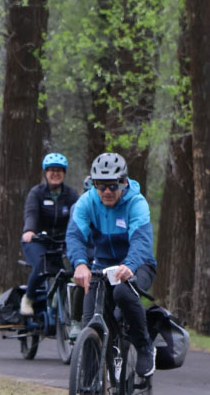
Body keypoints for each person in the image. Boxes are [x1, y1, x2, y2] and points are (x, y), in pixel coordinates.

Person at [66, 152, 157, 378]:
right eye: (100, 185)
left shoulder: (136, 203)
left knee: (124, 294)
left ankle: (145, 346)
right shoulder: (87, 202)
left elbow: (141, 240)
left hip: (138, 263)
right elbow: (75, 236)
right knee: (90, 322)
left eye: (112, 185)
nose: (106, 191)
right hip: (103, 266)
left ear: (124, 182)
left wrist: (131, 265)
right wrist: (79, 264)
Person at [19, 152, 80, 316]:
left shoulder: (71, 195)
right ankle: (28, 298)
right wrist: (29, 230)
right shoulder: (37, 193)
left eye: (59, 170)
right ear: (45, 173)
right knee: (41, 266)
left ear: (64, 173)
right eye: (51, 170)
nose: (55, 174)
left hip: (62, 241)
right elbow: (31, 214)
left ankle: (68, 304)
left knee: (71, 267)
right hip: (37, 240)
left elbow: (79, 217)